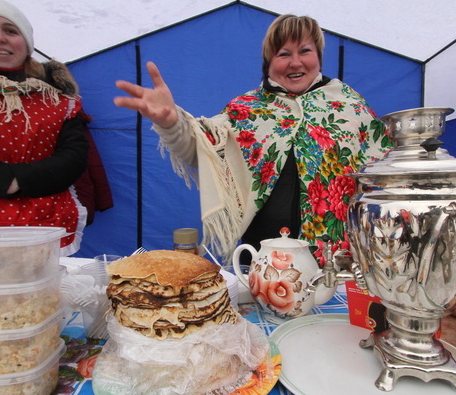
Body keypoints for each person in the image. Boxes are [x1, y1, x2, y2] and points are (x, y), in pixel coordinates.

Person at [114, 14, 393, 265]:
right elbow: (202, 148)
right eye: (284, 54)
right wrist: (172, 122)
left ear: (318, 56)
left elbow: (385, 168)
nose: (296, 62)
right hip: (261, 254)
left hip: (336, 256)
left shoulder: (350, 106)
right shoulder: (246, 109)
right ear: (269, 63)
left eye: (305, 51)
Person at [0, 0, 89, 255]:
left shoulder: (57, 99)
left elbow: (73, 157)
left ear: (27, 45)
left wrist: (17, 179)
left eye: (10, 31)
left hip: (47, 221)